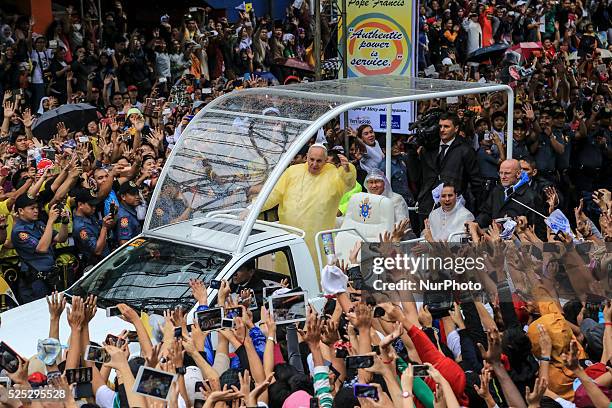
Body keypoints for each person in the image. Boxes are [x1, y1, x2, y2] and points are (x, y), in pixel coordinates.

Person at [259, 144, 356, 272]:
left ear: (326, 160)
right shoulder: (292, 171)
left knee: (320, 271)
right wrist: (252, 208)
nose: (314, 164)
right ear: (306, 157)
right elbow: (274, 194)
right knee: (288, 272)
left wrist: (348, 169)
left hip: (321, 239)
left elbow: (349, 183)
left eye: (319, 160)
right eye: (311, 159)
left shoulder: (334, 175)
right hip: (291, 234)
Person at [417, 112, 482, 225]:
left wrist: (479, 208)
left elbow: (476, 180)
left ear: (456, 128)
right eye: (440, 126)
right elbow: (419, 176)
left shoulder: (465, 150)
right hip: (428, 204)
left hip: (454, 205)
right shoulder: (428, 148)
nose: (442, 130)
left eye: (446, 126)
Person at [11, 194, 69, 303]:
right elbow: (41, 248)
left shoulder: (39, 224)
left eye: (37, 208)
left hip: (50, 277)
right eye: (32, 208)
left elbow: (60, 238)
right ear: (21, 211)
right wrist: (50, 221)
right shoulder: (20, 231)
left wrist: (65, 223)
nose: (36, 211)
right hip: (34, 282)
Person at [476, 159, 547, 238]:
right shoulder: (497, 191)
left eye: (507, 173)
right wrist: (475, 223)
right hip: (496, 240)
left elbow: (538, 230)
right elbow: (486, 214)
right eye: (500, 173)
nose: (503, 177)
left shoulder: (531, 197)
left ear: (518, 174)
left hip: (520, 244)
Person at [72, 189, 115, 269]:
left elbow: (101, 225)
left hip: (105, 259)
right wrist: (104, 227)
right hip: (96, 266)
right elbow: (97, 250)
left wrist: (112, 214)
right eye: (91, 205)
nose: (94, 208)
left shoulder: (89, 215)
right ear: (80, 204)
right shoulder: (81, 227)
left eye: (94, 205)